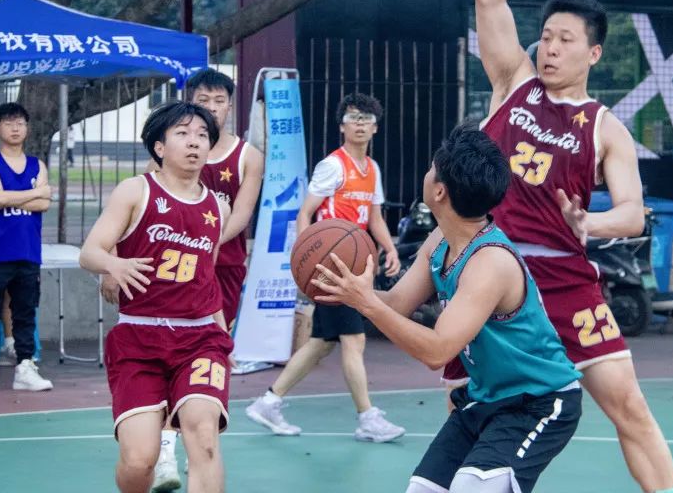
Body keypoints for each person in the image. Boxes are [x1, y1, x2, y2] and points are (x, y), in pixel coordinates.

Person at [448, 0, 673, 493]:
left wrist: (590, 224)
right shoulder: (513, 82)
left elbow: (632, 214)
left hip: (563, 279)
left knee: (628, 407)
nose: (550, 47)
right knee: (472, 410)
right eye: (547, 35)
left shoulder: (605, 127)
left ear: (594, 53)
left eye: (565, 40)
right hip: (493, 271)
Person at [318, 124, 582, 492]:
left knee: (471, 487)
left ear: (439, 191)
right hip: (485, 398)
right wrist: (348, 289)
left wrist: (365, 302)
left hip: (538, 400)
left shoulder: (490, 263)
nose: (426, 173)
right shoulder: (441, 239)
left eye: (431, 168)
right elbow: (397, 303)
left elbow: (437, 350)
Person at [80, 101, 232, 493]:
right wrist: (113, 265)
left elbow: (207, 277)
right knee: (139, 460)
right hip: (139, 337)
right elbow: (90, 251)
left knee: (204, 437)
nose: (194, 142)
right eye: (182, 134)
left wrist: (222, 333)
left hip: (200, 338)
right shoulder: (136, 191)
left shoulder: (218, 208)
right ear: (159, 147)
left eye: (202, 135)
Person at [124, 69, 263, 492]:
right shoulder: (168, 151)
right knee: (165, 357)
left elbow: (242, 214)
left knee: (200, 367)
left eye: (219, 101)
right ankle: (164, 449)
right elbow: (142, 207)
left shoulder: (247, 156)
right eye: (204, 99)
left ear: (230, 106)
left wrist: (202, 241)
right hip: (167, 272)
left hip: (222, 268)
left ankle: (193, 446)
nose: (212, 107)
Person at [245, 92, 404, 442]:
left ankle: (268, 402)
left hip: (353, 265)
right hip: (333, 268)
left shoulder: (372, 169)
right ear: (341, 126)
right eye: (353, 118)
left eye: (366, 119)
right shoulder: (333, 166)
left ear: (375, 128)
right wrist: (307, 257)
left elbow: (374, 217)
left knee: (321, 342)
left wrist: (390, 248)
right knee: (354, 338)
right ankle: (367, 417)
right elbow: (306, 212)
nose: (359, 124)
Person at [0, 102, 53, 395]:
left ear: (27, 128)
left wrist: (8, 198)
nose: (15, 128)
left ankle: (26, 368)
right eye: (8, 123)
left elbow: (44, 204)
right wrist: (36, 193)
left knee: (25, 313)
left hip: (28, 252)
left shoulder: (37, 165)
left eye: (20, 123)